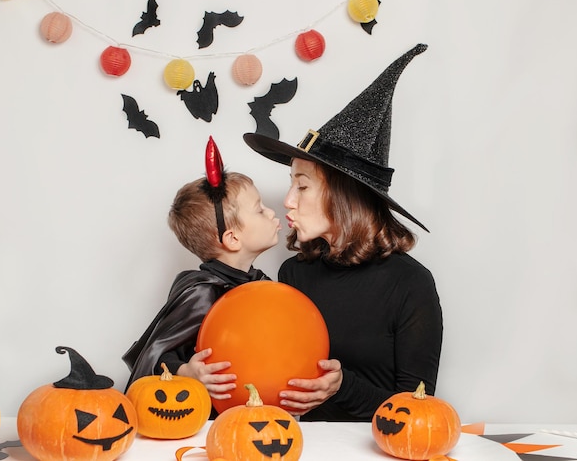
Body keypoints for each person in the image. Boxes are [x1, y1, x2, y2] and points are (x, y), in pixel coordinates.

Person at [242, 44, 443, 422]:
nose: (287, 200)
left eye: (302, 186)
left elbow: (418, 410)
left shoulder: (410, 284)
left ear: (343, 197)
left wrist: (343, 387)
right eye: (291, 184)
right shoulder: (293, 275)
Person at [122, 136, 281, 400]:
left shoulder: (261, 287)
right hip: (202, 421)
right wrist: (185, 371)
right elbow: (156, 355)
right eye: (260, 210)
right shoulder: (202, 293)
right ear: (232, 239)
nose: (272, 213)